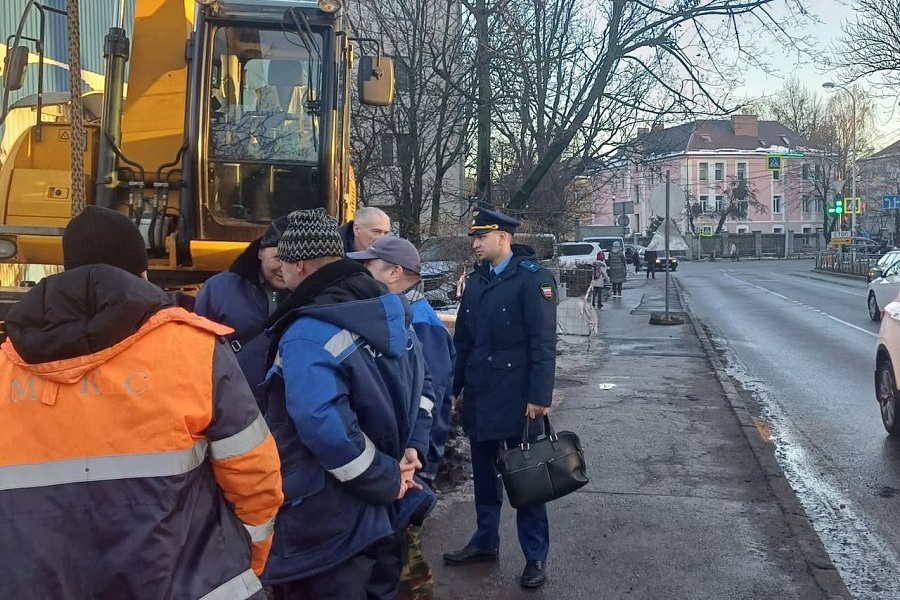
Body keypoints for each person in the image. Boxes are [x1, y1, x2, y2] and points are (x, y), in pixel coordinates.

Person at [0, 206, 284, 599]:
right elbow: (254, 475)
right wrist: (243, 564)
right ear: (142, 273)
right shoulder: (194, 350)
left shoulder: (5, 367)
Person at [261, 208, 435, 600]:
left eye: (283, 262)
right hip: (385, 515)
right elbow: (424, 388)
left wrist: (387, 478)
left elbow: (322, 424)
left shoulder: (307, 331)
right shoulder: (389, 311)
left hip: (327, 524)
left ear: (300, 265)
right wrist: (410, 452)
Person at [443, 207, 557, 589]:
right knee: (485, 481)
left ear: (502, 239)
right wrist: (454, 389)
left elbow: (544, 342)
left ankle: (535, 555)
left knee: (527, 480)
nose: (474, 244)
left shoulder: (532, 279)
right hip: (480, 394)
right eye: (474, 237)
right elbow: (464, 341)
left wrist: (540, 395)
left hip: (518, 400)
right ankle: (485, 540)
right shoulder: (475, 281)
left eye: (481, 237)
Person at [348, 235, 456, 600]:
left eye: (370, 266)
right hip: (401, 464)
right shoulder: (392, 314)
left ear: (394, 273)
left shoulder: (420, 322)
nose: (363, 272)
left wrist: (423, 461)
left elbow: (434, 399)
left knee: (398, 564)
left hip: (411, 468)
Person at [195, 216, 290, 405]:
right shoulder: (217, 290)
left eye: (290, 260)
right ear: (261, 252)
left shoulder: (309, 294)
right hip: (232, 405)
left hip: (286, 409)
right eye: (278, 258)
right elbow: (196, 349)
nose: (283, 268)